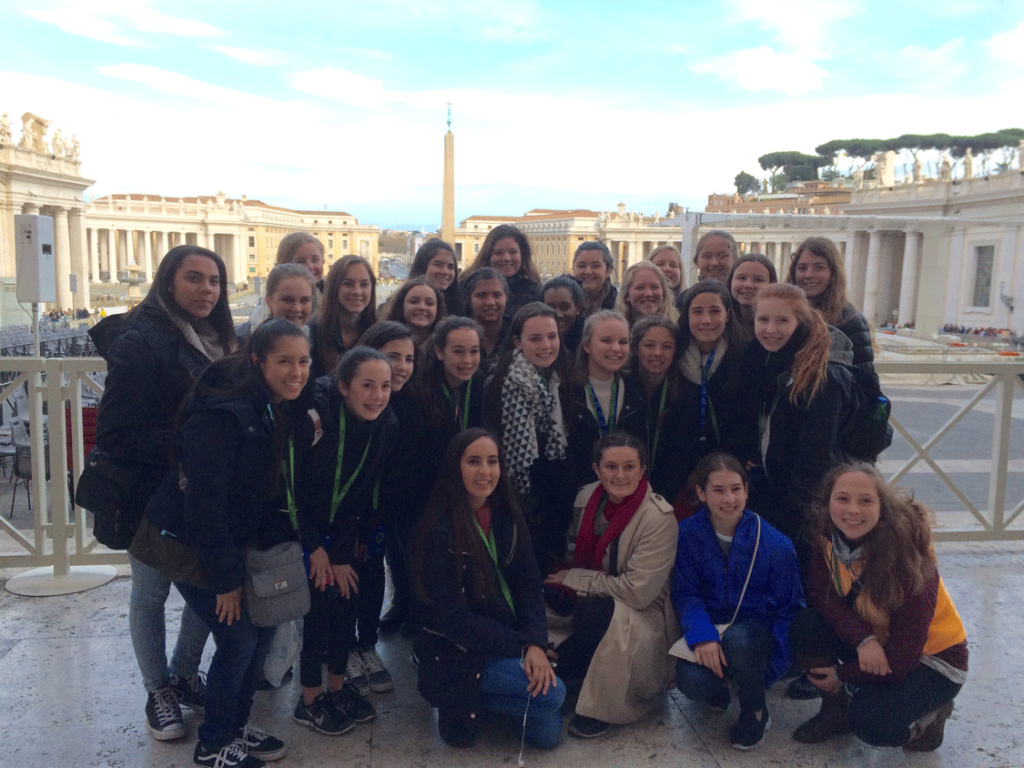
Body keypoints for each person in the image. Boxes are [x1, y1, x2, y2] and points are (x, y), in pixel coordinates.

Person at [139, 319, 310, 767]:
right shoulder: (223, 414)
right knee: (238, 640)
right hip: (185, 541)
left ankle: (234, 727)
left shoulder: (272, 405)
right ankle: (213, 743)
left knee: (263, 627)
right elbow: (205, 507)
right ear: (258, 361)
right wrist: (227, 580)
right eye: (285, 362)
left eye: (304, 361)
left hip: (229, 541)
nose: (297, 371)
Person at [90, 245, 236, 742]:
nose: (206, 290)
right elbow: (114, 432)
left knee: (204, 589)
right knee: (151, 594)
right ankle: (158, 690)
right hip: (152, 494)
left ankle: (182, 673)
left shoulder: (219, 339)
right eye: (194, 279)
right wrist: (189, 444)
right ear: (168, 282)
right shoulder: (141, 340)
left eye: (214, 281)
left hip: (201, 491)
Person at [790, 464, 967, 752]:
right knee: (806, 625)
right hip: (876, 635)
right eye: (842, 499)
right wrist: (863, 639)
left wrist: (841, 675)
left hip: (932, 659)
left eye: (865, 501)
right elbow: (824, 598)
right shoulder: (827, 534)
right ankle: (836, 711)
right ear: (827, 503)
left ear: (882, 506)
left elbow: (902, 660)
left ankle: (933, 716)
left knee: (872, 723)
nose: (852, 510)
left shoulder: (906, 558)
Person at [413, 429, 564, 749]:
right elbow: (455, 621)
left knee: (546, 734)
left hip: (508, 634)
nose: (485, 471)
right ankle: (462, 697)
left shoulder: (507, 513)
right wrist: (525, 647)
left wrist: (536, 641)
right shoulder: (437, 531)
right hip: (461, 652)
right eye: (473, 461)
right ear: (456, 468)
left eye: (492, 461)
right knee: (554, 696)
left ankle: (482, 699)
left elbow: (528, 582)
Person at [293, 347, 398, 735]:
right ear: (343, 387)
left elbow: (359, 492)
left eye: (385, 386)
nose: (377, 395)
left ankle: (337, 688)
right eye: (367, 386)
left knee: (346, 599)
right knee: (317, 611)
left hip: (341, 529)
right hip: (301, 528)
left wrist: (340, 552)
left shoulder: (386, 425)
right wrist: (314, 549)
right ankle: (309, 699)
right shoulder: (316, 422)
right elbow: (292, 491)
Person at [545, 432, 679, 738]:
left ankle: (607, 703)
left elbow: (638, 592)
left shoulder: (658, 518)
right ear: (596, 469)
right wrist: (564, 582)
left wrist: (577, 580)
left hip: (641, 614)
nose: (620, 475)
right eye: (611, 467)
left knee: (593, 614)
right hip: (594, 596)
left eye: (630, 467)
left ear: (643, 469)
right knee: (545, 605)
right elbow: (571, 555)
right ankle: (579, 666)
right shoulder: (585, 498)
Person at [672, 453, 803, 751]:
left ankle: (755, 707)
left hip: (755, 636)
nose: (729, 499)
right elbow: (686, 592)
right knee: (690, 682)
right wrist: (702, 636)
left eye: (736, 489)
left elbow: (789, 609)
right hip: (713, 629)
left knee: (739, 639)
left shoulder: (775, 544)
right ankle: (721, 687)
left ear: (746, 490)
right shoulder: (688, 534)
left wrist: (773, 669)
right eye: (718, 490)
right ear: (701, 493)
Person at [742, 283, 857, 555]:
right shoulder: (773, 361)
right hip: (779, 494)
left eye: (782, 321)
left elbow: (814, 461)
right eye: (763, 320)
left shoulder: (821, 377)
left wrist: (789, 522)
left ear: (800, 323)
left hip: (801, 512)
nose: (771, 329)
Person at [484, 303, 574, 573]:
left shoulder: (565, 376)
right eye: (535, 339)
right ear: (517, 341)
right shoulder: (501, 383)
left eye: (552, 336)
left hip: (554, 490)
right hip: (515, 490)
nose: (546, 345)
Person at [358, 323, 419, 636]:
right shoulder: (361, 402)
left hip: (399, 499)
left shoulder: (413, 400)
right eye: (392, 356)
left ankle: (406, 609)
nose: (402, 367)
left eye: (408, 359)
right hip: (362, 502)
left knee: (400, 557)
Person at [671, 280, 746, 502]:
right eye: (697, 312)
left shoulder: (743, 358)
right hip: (677, 472)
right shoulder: (672, 357)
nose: (706, 320)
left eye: (715, 311)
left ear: (728, 315)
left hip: (728, 472)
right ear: (686, 317)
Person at [565, 311, 644, 493]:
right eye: (606, 341)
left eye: (623, 342)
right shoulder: (566, 391)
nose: (616, 348)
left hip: (627, 489)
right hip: (580, 493)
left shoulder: (637, 388)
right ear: (587, 345)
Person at [787, 236, 874, 373]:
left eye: (819, 267)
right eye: (802, 268)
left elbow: (864, 377)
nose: (809, 275)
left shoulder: (851, 320)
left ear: (833, 273)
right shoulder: (783, 313)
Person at [622, 314, 684, 501]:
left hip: (665, 490)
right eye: (649, 345)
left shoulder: (684, 393)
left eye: (666, 347)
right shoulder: (621, 387)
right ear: (635, 348)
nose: (658, 353)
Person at [309, 255, 377, 379]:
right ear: (333, 287)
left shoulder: (378, 333)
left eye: (364, 284)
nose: (357, 291)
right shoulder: (313, 332)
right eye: (348, 284)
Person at [461, 224, 542, 317]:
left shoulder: (536, 293)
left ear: (522, 255)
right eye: (498, 253)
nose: (506, 258)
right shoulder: (465, 288)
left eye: (513, 252)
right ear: (488, 256)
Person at [237, 263, 315, 342]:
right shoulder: (238, 342)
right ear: (268, 300)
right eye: (287, 300)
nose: (297, 308)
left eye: (304, 300)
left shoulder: (317, 342)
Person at [461, 267, 510, 370]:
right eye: (481, 295)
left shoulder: (517, 336)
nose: (490, 302)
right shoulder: (457, 336)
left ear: (506, 298)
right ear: (469, 300)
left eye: (497, 295)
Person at [379, 276, 446, 348]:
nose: (422, 307)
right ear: (401, 305)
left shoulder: (445, 344)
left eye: (429, 303)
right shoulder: (383, 341)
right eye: (414, 302)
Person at [727, 253, 777, 349]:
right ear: (731, 281)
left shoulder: (778, 329)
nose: (748, 285)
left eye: (758, 280)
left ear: (772, 284)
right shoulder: (719, 324)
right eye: (741, 278)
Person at [408, 239, 462, 316]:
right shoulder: (397, 308)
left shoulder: (461, 310)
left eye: (451, 267)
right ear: (422, 266)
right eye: (438, 265)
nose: (445, 272)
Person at [614, 261, 679, 325]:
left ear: (663, 292)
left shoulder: (678, 330)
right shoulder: (614, 330)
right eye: (640, 288)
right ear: (626, 294)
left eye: (654, 287)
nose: (648, 294)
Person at [572, 242, 617, 319]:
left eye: (596, 266)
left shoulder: (619, 307)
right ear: (573, 268)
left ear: (608, 271)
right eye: (581, 266)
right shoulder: (562, 302)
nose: (588, 271)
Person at [542, 275, 585, 354]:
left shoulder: (588, 342)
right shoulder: (534, 340)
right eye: (550, 308)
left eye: (565, 307)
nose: (558, 314)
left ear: (578, 308)